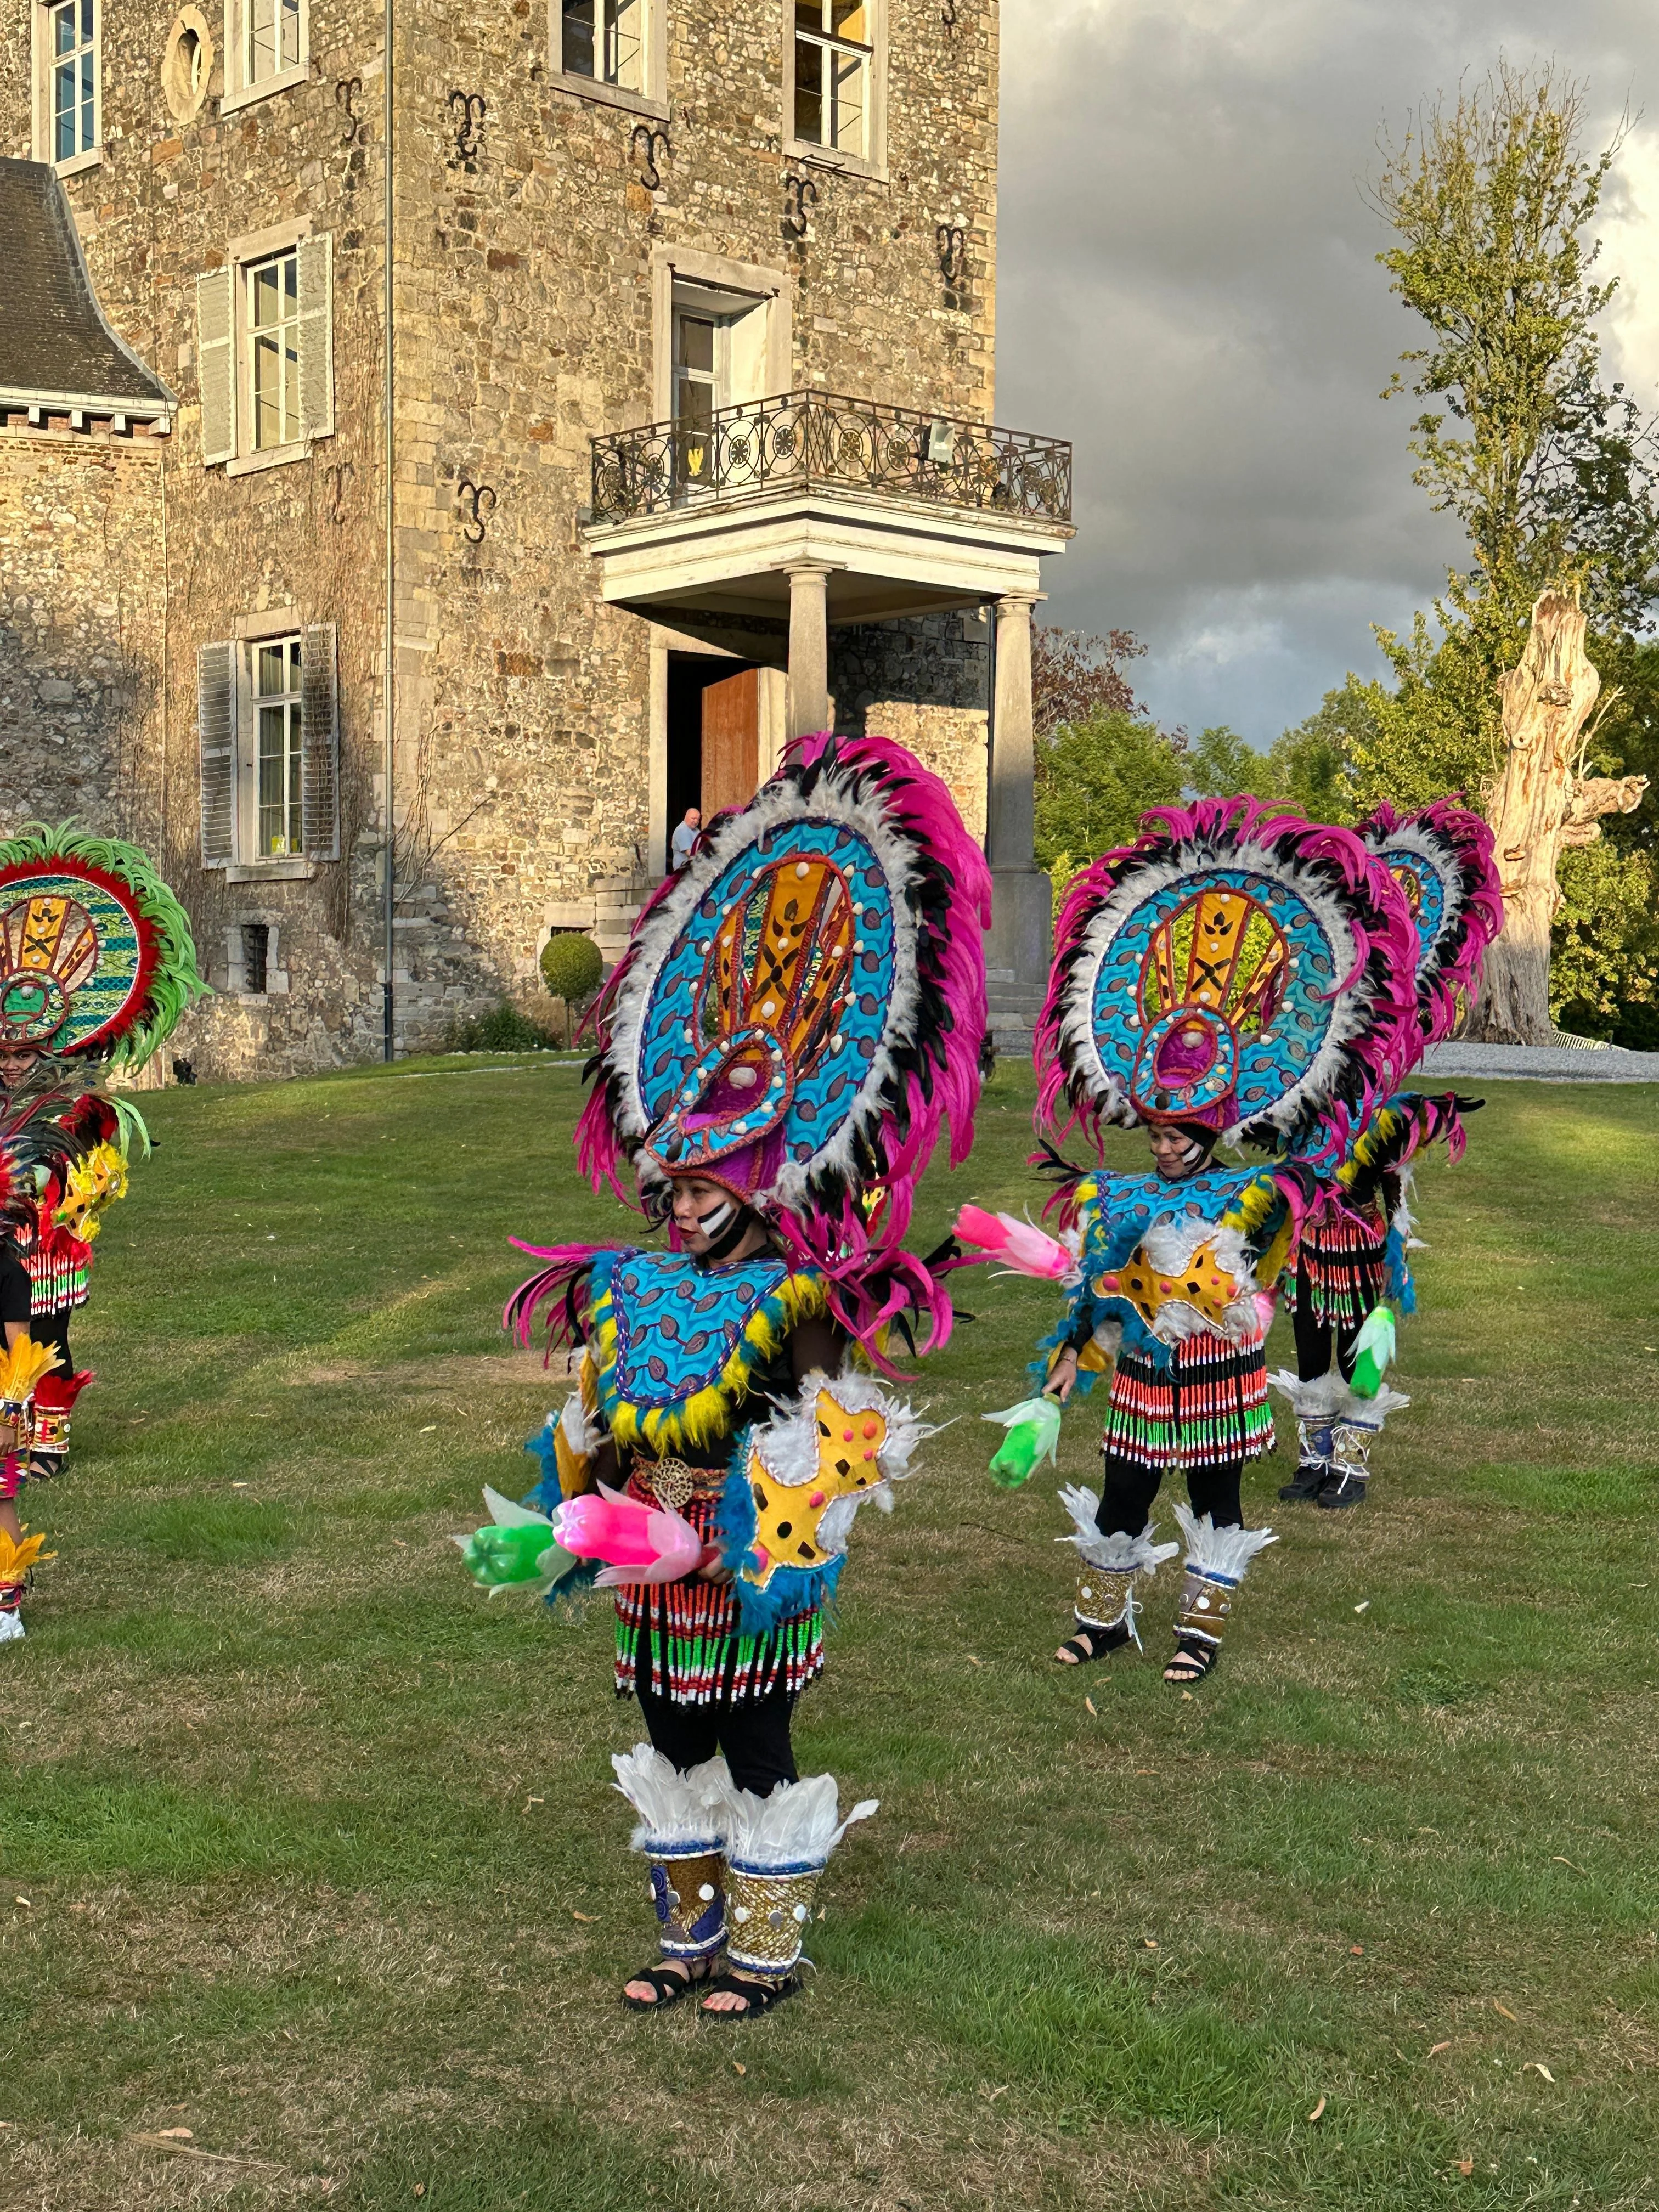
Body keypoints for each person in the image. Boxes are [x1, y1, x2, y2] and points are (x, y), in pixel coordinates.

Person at [489, 731, 989, 2018]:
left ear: (765, 1184)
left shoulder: (804, 1297)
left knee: (758, 1740)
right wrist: (583, 1509)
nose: (685, 1204)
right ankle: (687, 1934)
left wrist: (751, 1536)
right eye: (677, 1183)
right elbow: (602, 1414)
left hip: (751, 1559)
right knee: (668, 1733)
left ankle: (767, 1949)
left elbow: (836, 1437)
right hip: (651, 1557)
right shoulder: (626, 1282)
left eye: (712, 1186)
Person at [965, 794, 1420, 1685]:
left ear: (1211, 1130)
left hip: (1220, 1384)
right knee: (1122, 1495)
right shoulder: (1119, 1193)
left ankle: (1198, 1632)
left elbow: (1274, 1273)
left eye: (1182, 1132)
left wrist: (1240, 1307)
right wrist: (1062, 1377)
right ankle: (1102, 1620)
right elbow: (1095, 1294)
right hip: (1139, 1389)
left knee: (1216, 1500)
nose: (1166, 1144)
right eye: (1157, 1129)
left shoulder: (1252, 1191)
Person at [1274, 799, 1502, 1509]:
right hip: (1309, 1246)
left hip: (1363, 1244)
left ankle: (1353, 1466)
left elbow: (1391, 1157)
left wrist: (1391, 1144)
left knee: (1356, 1354)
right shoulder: (1295, 1082)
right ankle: (1314, 1459)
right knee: (1311, 1352)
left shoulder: (1377, 1091)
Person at [669, 805, 701, 870]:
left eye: (698, 819)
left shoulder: (696, 830)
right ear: (686, 817)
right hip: (683, 869)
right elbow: (690, 854)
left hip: (694, 868)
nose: (696, 822)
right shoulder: (682, 830)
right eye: (693, 818)